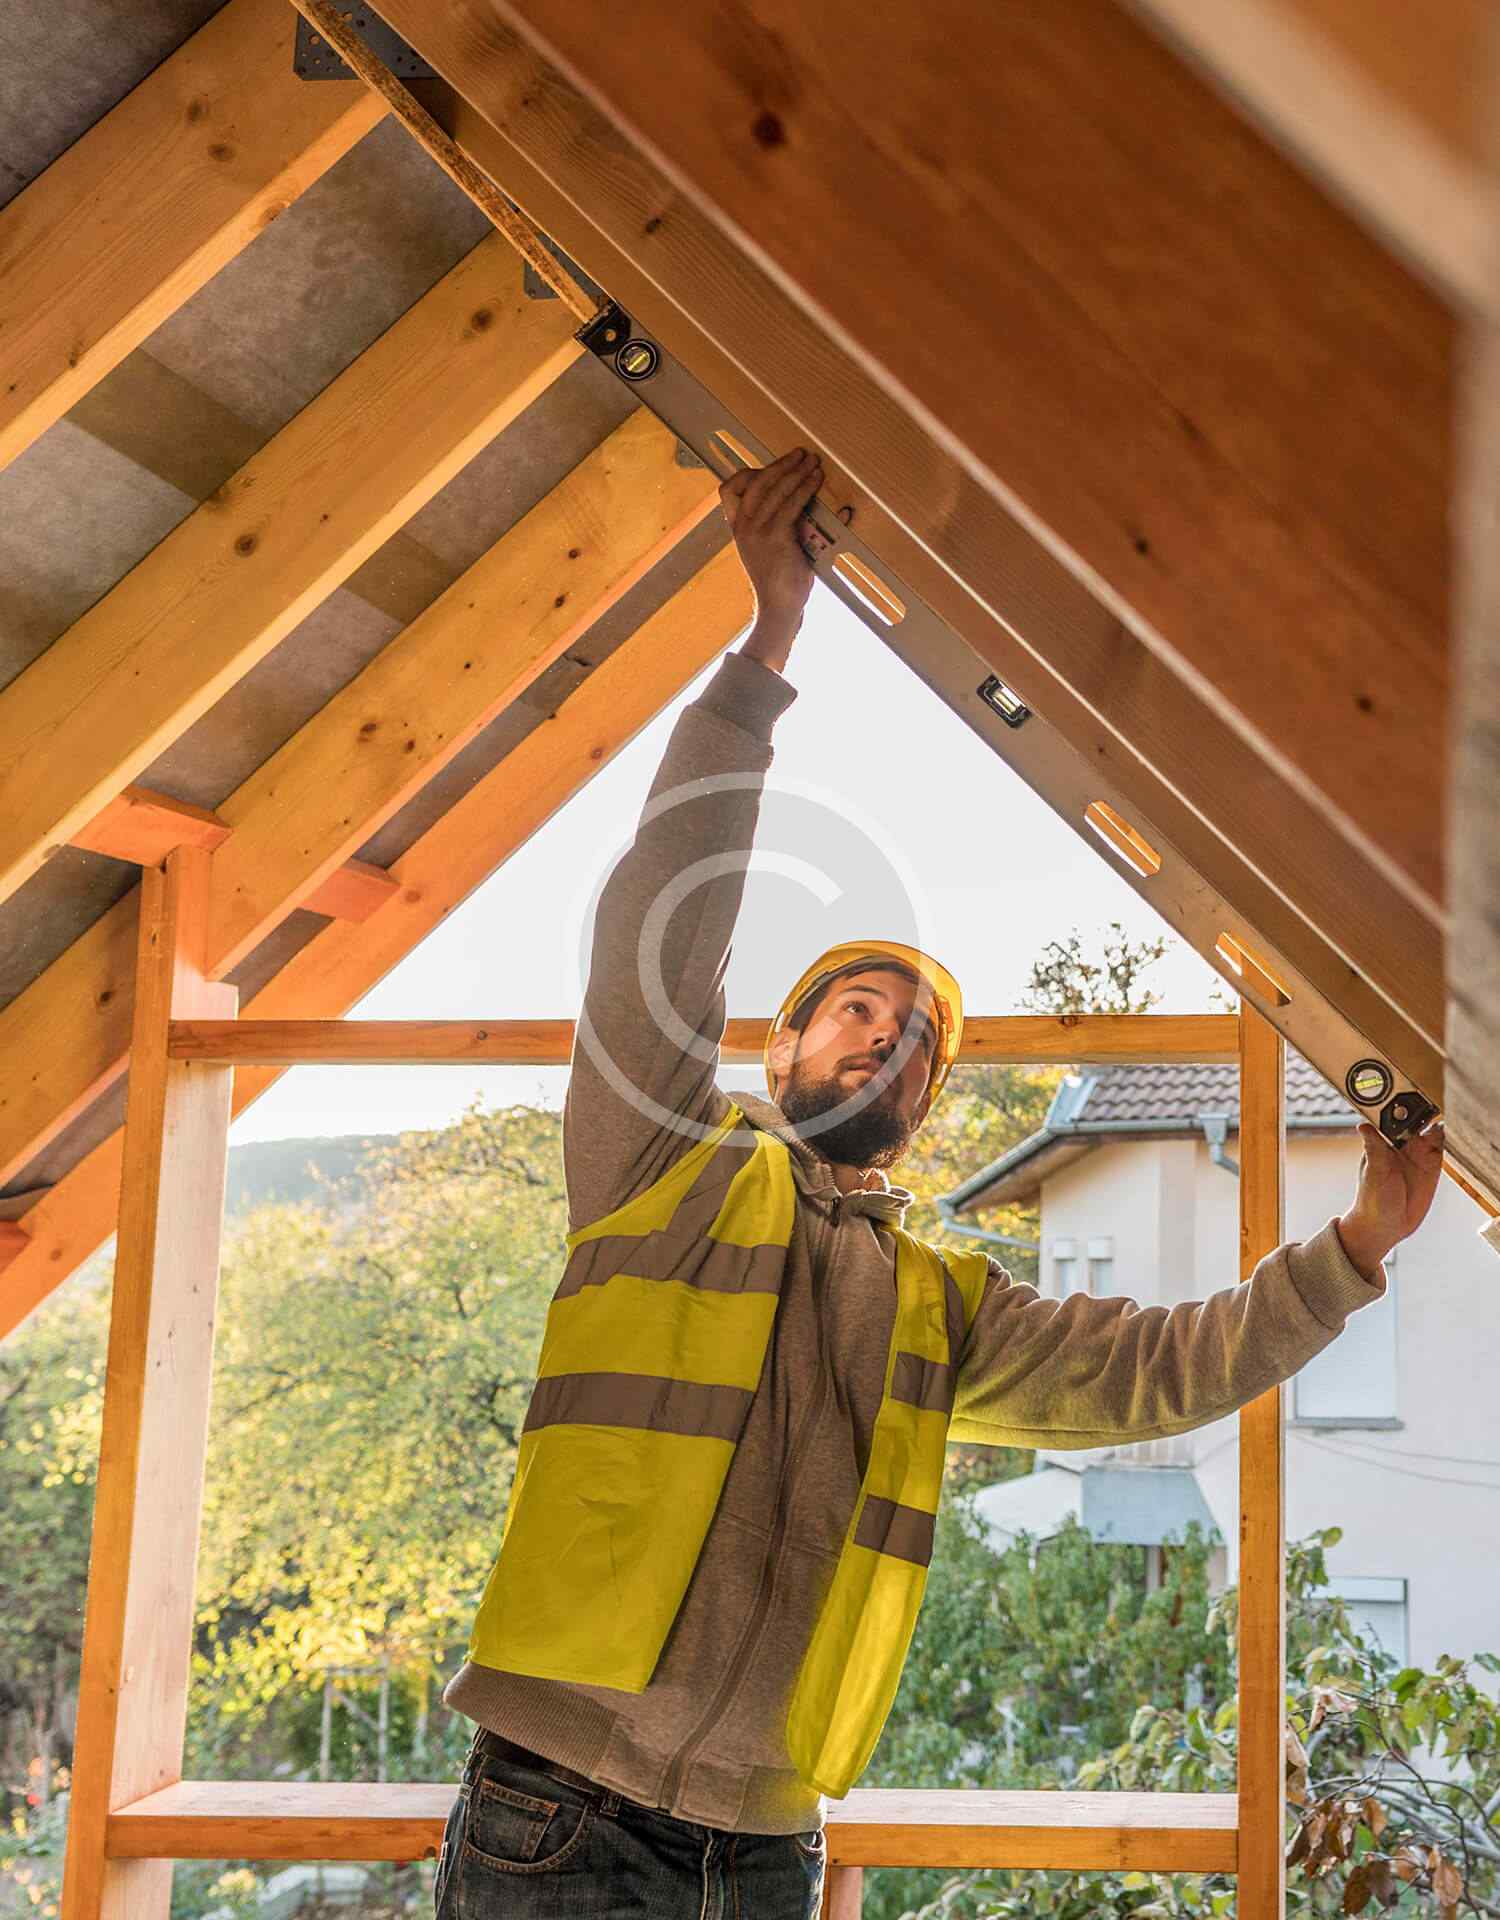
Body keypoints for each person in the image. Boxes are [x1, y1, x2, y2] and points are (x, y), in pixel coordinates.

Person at [432, 449, 1444, 1919]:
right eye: (858, 1008)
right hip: (560, 1813)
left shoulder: (934, 1303)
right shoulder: (659, 1162)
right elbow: (660, 910)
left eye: (913, 1044)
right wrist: (766, 652)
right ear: (776, 1043)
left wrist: (1356, 1245)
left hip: (770, 1848)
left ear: (916, 1116)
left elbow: (1159, 1372)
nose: (889, 1040)